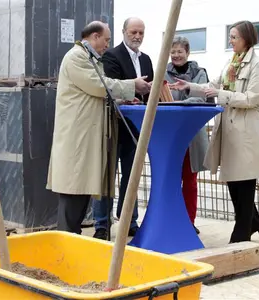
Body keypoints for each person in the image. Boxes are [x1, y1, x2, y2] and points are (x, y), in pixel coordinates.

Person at [46, 21, 151, 234]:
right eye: (106, 39)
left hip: (85, 136)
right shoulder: (76, 57)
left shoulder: (89, 58)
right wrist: (132, 85)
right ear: (94, 36)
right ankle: (67, 242)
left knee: (80, 190)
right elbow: (99, 85)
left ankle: (72, 240)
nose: (107, 44)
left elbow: (96, 93)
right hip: (78, 137)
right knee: (73, 192)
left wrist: (120, 101)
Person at [169, 20, 259, 243]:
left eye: (234, 37)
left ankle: (242, 232)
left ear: (246, 39)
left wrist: (220, 95)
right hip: (230, 130)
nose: (230, 41)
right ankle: (251, 221)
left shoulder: (257, 65)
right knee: (233, 179)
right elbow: (213, 84)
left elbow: (252, 99)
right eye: (230, 36)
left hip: (245, 131)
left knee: (244, 181)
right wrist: (189, 87)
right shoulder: (232, 63)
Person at [92, 17, 154, 240]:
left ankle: (129, 220)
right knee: (107, 176)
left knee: (132, 175)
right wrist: (133, 90)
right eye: (133, 32)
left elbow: (151, 90)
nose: (137, 36)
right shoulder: (112, 55)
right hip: (115, 124)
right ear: (124, 32)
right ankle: (101, 224)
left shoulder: (146, 59)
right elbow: (110, 86)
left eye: (141, 32)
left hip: (137, 127)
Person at [164, 36, 213, 235]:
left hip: (192, 135)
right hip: (171, 134)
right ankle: (172, 219)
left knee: (190, 181)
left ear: (188, 53)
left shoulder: (199, 73)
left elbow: (203, 97)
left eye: (179, 51)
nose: (176, 55)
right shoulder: (163, 73)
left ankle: (189, 221)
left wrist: (182, 101)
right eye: (173, 52)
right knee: (171, 180)